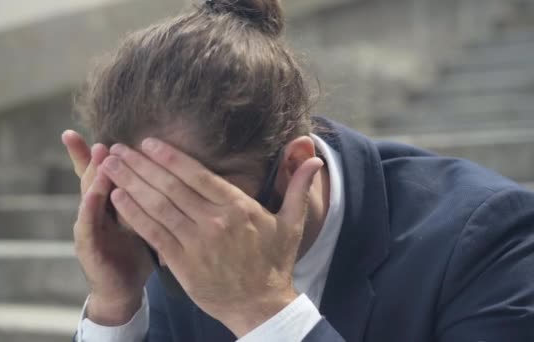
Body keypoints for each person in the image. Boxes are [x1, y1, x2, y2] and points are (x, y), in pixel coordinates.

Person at [61, 0, 534, 341]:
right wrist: (114, 307)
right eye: (141, 197)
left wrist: (263, 310)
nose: (170, 234)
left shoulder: (488, 239)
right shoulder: (153, 249)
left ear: (294, 166)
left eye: (194, 201)